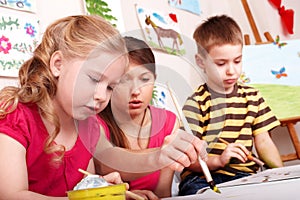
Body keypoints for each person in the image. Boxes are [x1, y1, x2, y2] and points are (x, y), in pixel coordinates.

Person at [0, 15, 207, 199]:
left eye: (110, 87)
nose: (100, 96)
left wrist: (113, 192)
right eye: (93, 78)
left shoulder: (88, 125)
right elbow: (11, 195)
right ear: (58, 64)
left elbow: (105, 167)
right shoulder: (14, 114)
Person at [178, 15, 283, 196]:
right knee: (196, 193)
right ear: (201, 62)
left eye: (237, 61)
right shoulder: (196, 103)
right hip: (203, 178)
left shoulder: (252, 96)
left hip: (245, 177)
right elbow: (188, 160)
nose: (231, 70)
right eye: (221, 63)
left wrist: (280, 173)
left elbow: (264, 141)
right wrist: (218, 160)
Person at [97, 36, 180, 199]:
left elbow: (163, 194)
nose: (136, 90)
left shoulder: (168, 123)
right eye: (124, 80)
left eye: (144, 79)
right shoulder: (95, 123)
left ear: (154, 79)